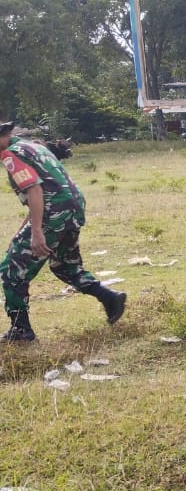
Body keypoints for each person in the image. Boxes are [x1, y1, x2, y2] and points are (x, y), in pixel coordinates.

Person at [1, 122, 126, 342]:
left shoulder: (11, 155)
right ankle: (110, 298)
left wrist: (37, 232)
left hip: (53, 214)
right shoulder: (34, 147)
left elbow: (35, 189)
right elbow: (48, 188)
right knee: (64, 266)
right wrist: (24, 230)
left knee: (12, 269)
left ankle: (21, 331)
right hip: (72, 209)